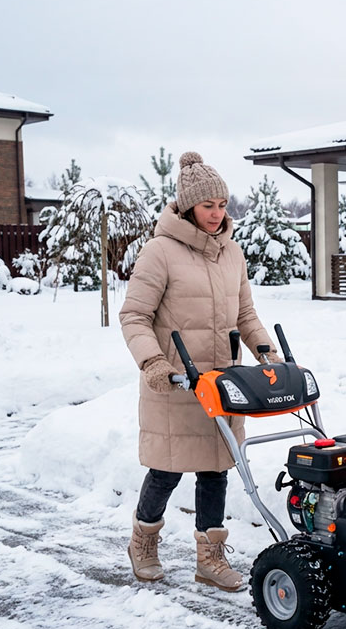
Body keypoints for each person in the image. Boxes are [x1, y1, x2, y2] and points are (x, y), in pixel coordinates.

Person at [119, 151, 280, 591]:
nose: (217, 214)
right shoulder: (160, 252)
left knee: (216, 469)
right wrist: (152, 362)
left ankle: (209, 557)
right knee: (167, 469)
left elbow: (245, 314)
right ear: (188, 205)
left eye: (223, 205)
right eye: (208, 205)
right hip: (173, 383)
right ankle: (143, 542)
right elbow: (134, 315)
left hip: (224, 383)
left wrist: (267, 353)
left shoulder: (233, 254)